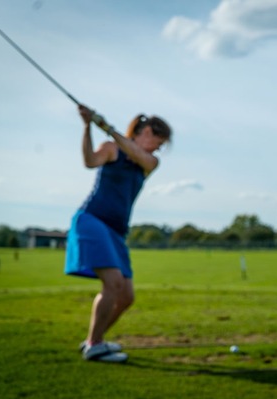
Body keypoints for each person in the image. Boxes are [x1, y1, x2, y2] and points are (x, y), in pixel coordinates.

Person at [65, 105, 172, 363]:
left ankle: (95, 339)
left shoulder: (149, 162)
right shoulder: (112, 148)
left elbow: (137, 154)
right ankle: (94, 345)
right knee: (112, 283)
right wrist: (88, 127)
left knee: (126, 296)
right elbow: (89, 161)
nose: (158, 149)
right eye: (159, 141)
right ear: (147, 131)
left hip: (116, 231)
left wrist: (109, 128)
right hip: (92, 220)